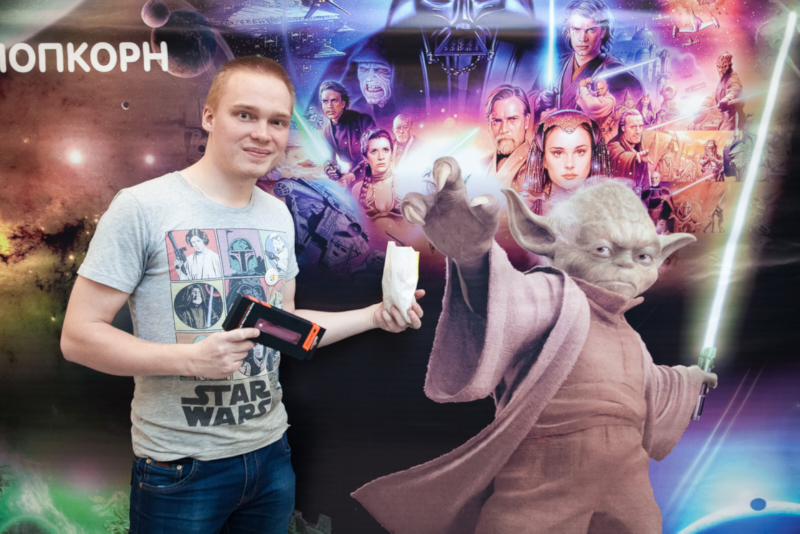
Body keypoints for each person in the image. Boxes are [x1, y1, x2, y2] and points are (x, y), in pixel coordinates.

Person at [60, 56, 424, 534]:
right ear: (210, 116)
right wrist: (189, 360)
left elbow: (284, 325)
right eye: (245, 115)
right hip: (180, 468)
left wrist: (377, 315)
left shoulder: (277, 214)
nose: (262, 133)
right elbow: (78, 338)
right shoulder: (142, 207)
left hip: (269, 457)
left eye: (277, 121)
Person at [532, 0, 644, 120]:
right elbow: (527, 104)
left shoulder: (621, 75)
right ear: (568, 31)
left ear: (603, 32)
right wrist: (539, 100)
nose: (582, 38)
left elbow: (636, 120)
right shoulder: (555, 66)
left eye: (591, 30)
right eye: (576, 29)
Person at [519, 109, 611, 214]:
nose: (569, 164)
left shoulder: (608, 206)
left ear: (592, 155)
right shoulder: (526, 207)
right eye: (558, 153)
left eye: (580, 152)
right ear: (543, 159)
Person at [319, 80, 376, 185]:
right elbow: (329, 159)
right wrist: (331, 170)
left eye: (334, 100)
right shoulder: (326, 133)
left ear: (343, 104)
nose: (329, 106)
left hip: (373, 175)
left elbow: (374, 153)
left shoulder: (363, 121)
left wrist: (354, 174)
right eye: (325, 101)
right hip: (351, 178)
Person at [484, 85, 532, 190]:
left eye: (512, 119)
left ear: (526, 121)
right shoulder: (480, 167)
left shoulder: (542, 169)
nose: (504, 129)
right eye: (497, 121)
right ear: (488, 124)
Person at [354, 128, 402, 219]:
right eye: (374, 151)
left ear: (392, 154)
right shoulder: (357, 190)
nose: (381, 157)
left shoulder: (406, 184)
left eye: (385, 150)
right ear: (365, 158)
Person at [607, 109, 650, 191]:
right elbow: (619, 155)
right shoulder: (613, 146)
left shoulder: (638, 148)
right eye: (633, 127)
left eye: (640, 126)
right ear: (623, 128)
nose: (638, 131)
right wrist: (635, 157)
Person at [713, 52, 745, 132]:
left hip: (733, 120)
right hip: (725, 120)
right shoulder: (723, 79)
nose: (720, 70)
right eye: (718, 66)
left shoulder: (733, 78)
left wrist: (727, 99)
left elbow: (734, 90)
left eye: (724, 66)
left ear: (729, 65)